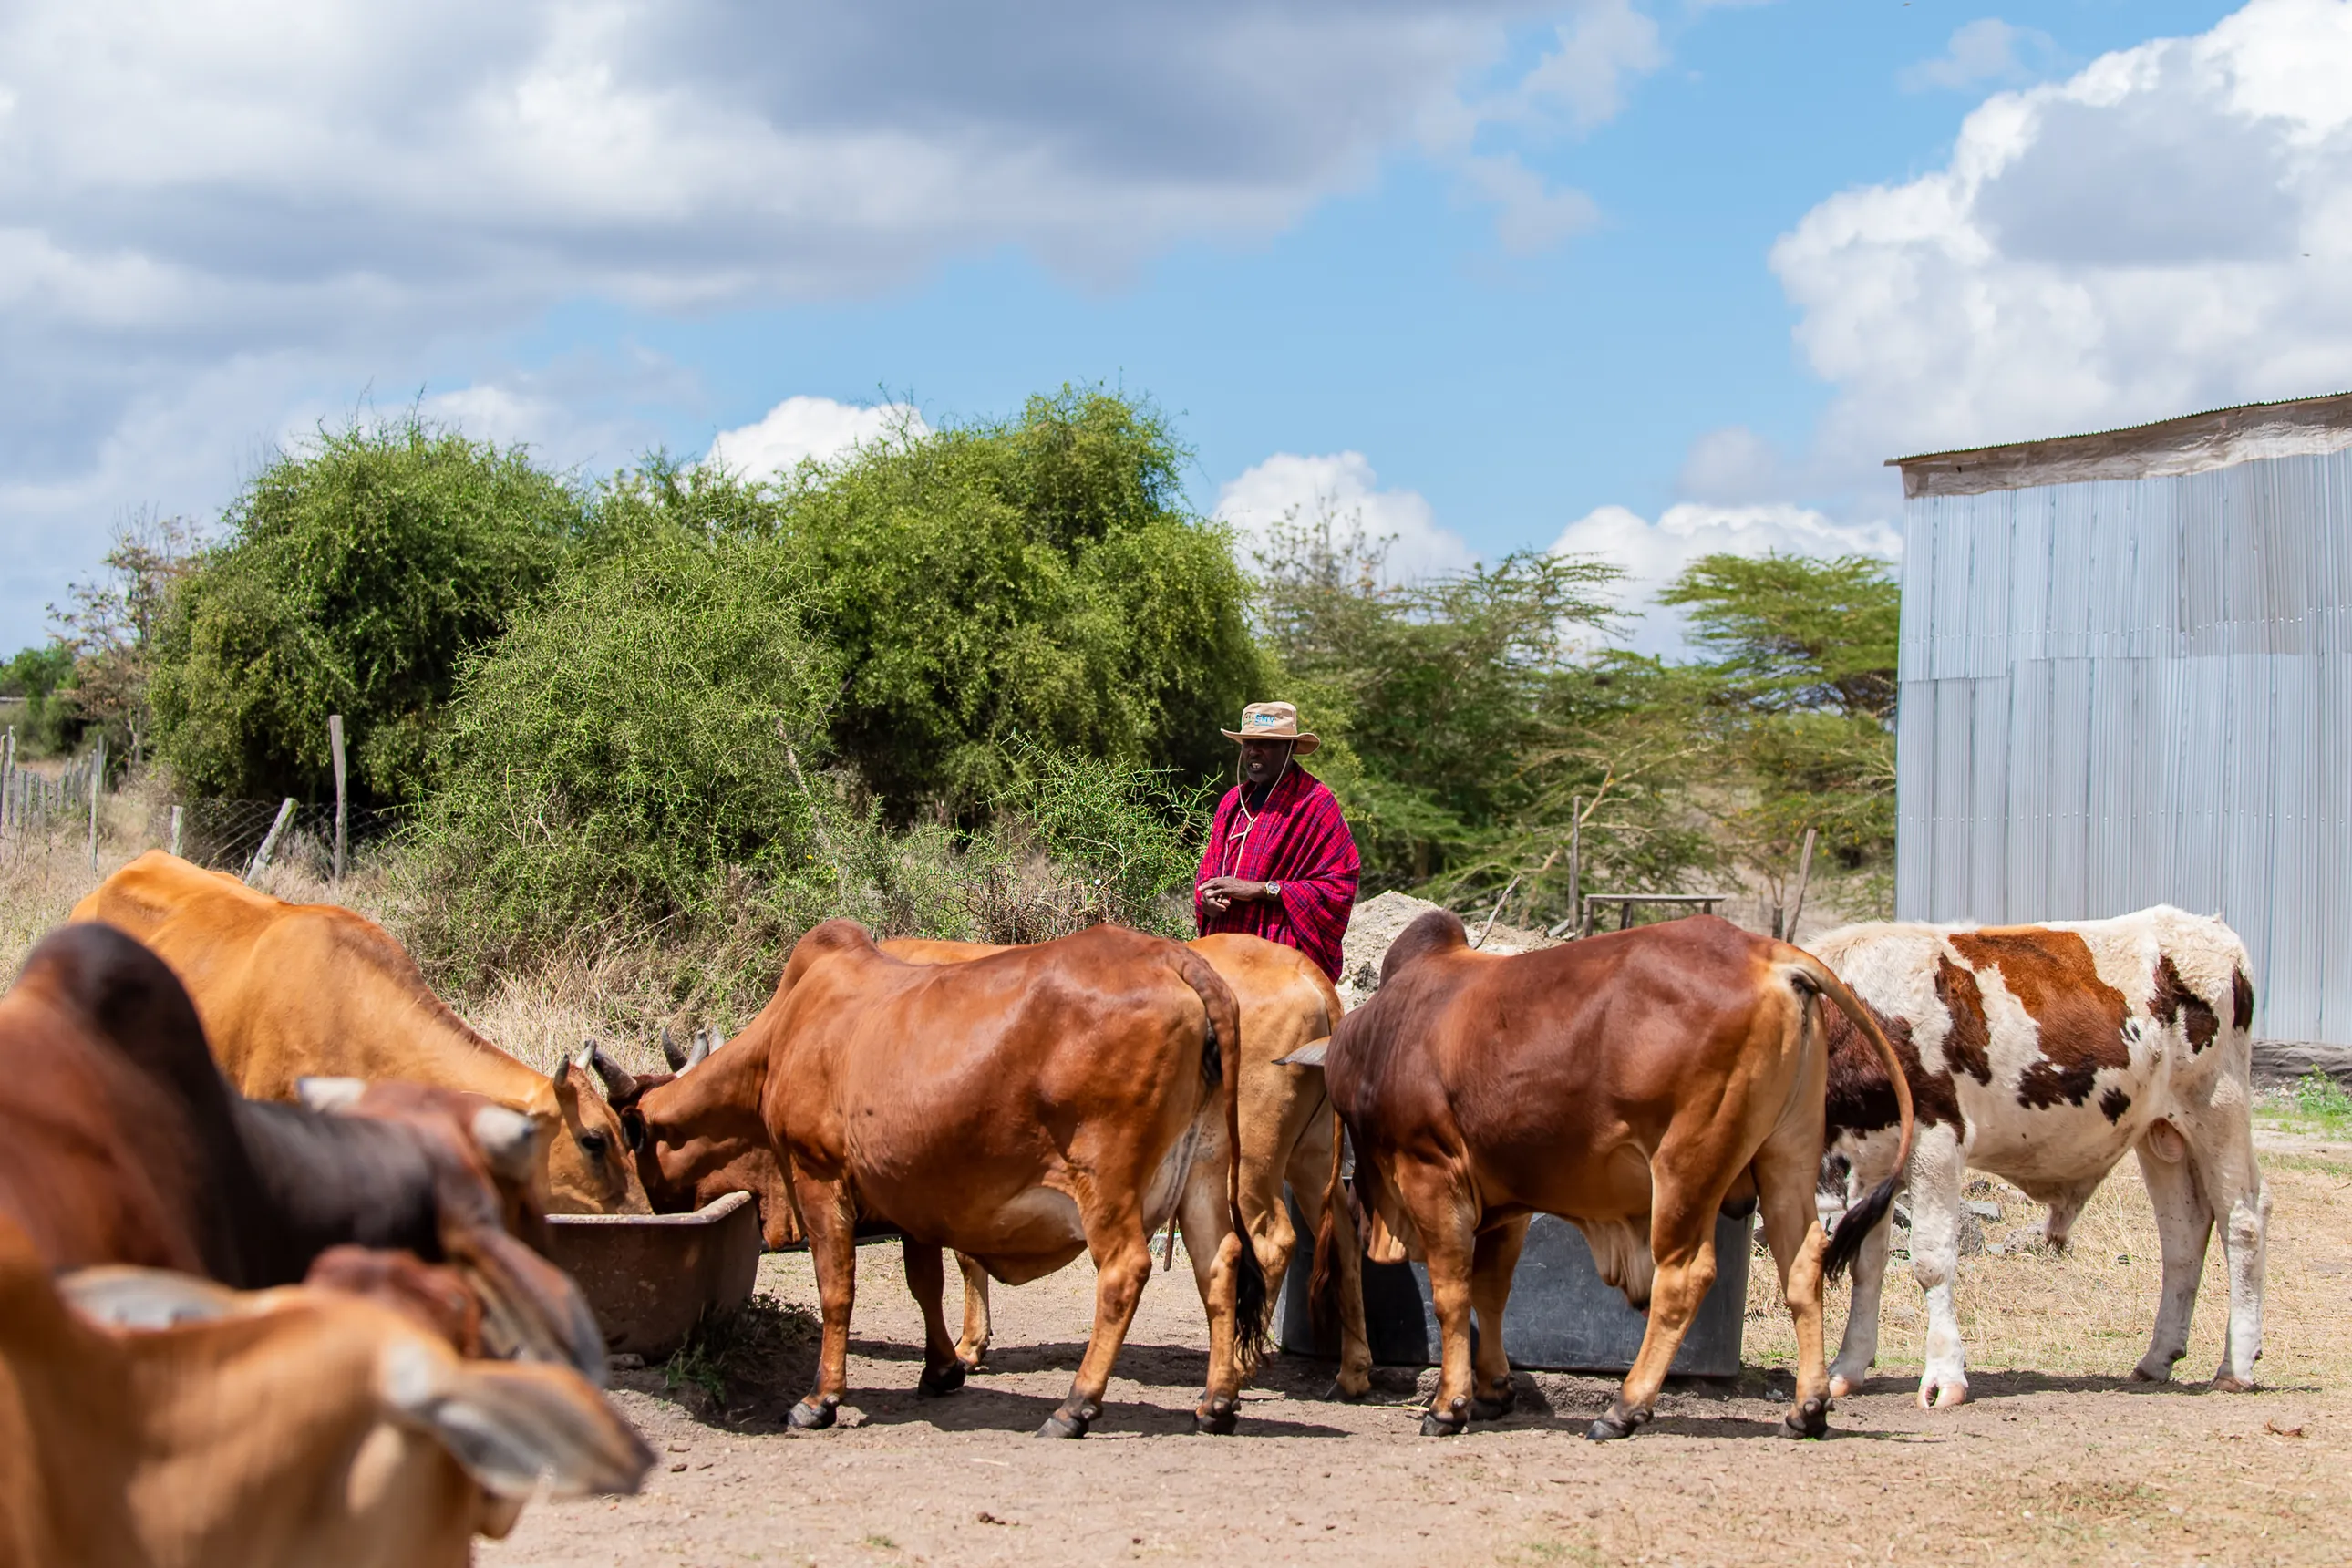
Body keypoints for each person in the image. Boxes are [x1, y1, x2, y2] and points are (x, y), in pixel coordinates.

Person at [1194, 702, 1360, 982]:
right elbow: (1208, 872)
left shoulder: (1315, 804)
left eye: (1267, 743)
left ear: (1291, 749)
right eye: (1248, 743)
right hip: (1223, 948)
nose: (1253, 751)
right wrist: (1207, 900)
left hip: (1279, 958)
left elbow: (1339, 886)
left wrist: (1261, 890)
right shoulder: (1232, 803)